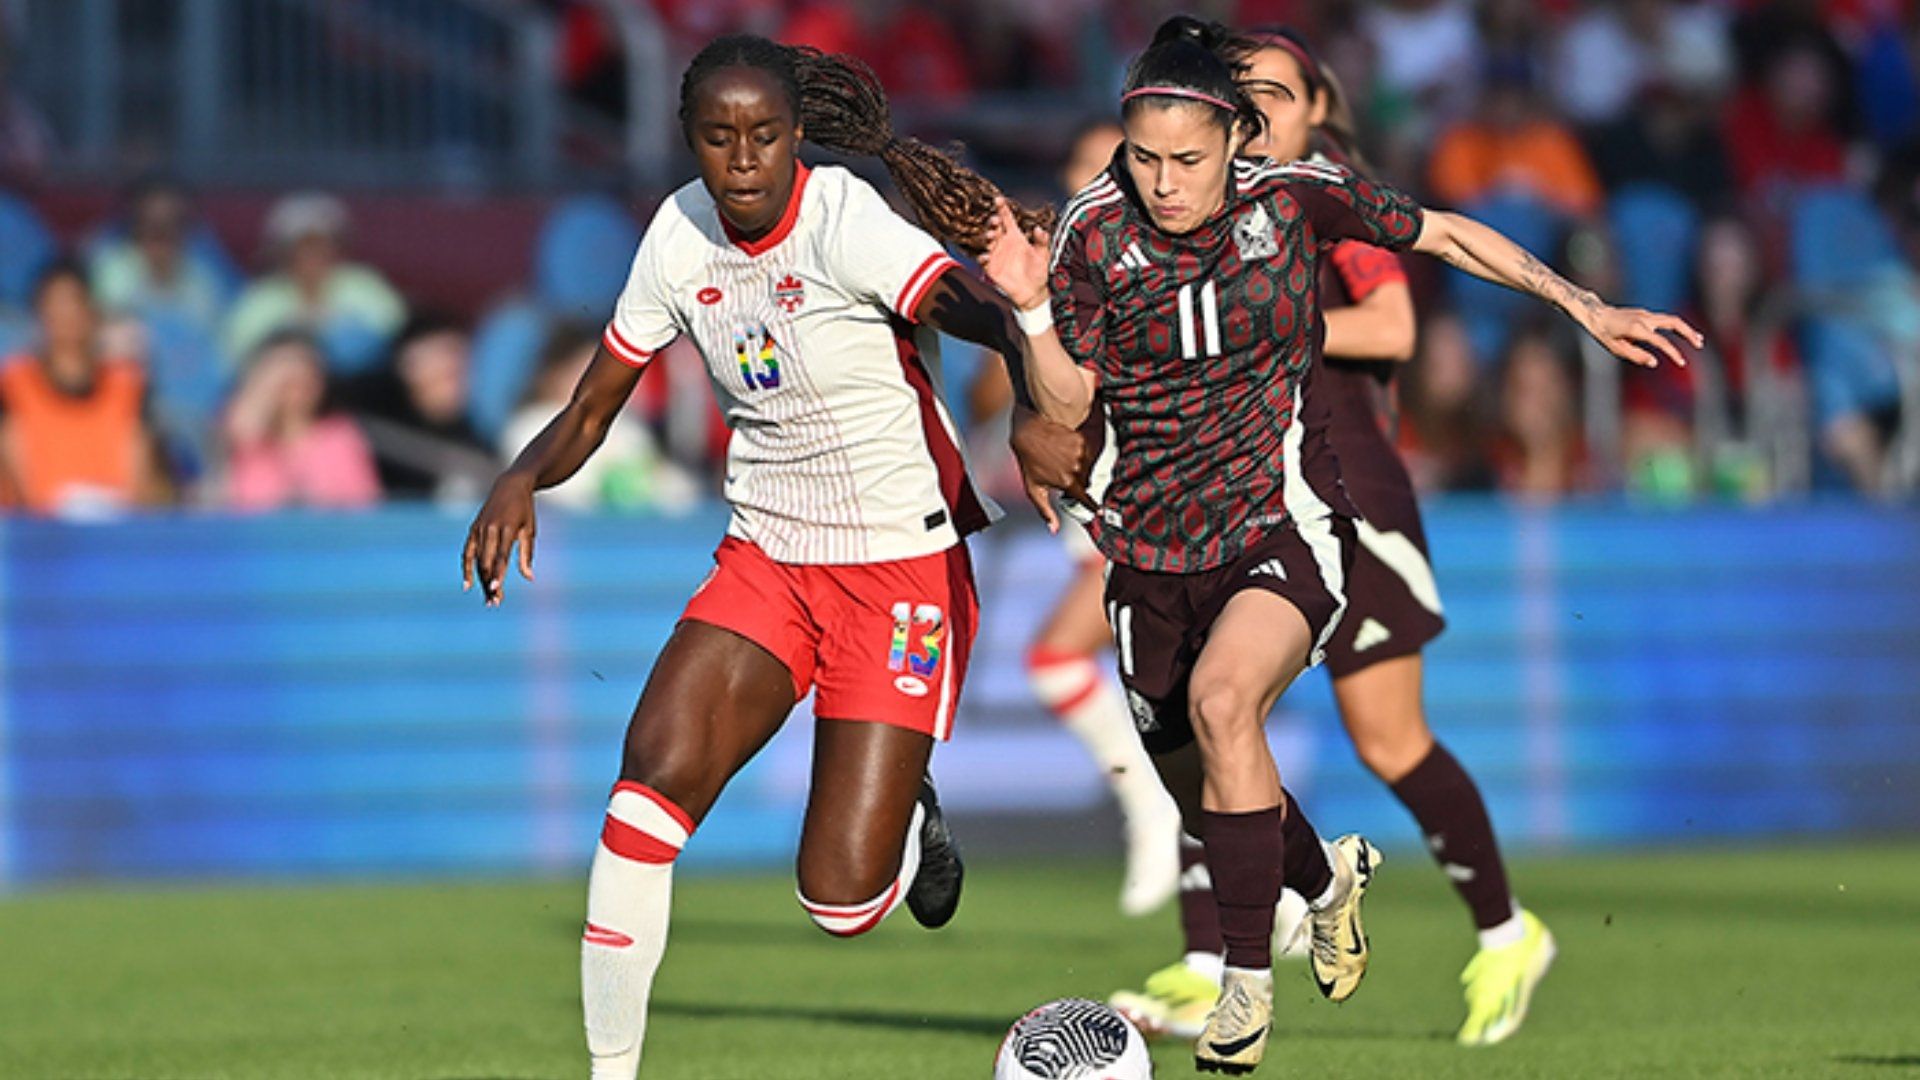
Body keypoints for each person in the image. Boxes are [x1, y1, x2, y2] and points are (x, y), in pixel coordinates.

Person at [981, 17, 1698, 1073]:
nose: (1166, 183)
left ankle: (1243, 989)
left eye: (1188, 160)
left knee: (1236, 706)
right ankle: (1324, 882)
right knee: (1204, 785)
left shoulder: (1299, 198)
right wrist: (1034, 314)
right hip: (1148, 549)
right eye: (1145, 159)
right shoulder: (1091, 232)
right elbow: (1069, 398)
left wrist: (1581, 304)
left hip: (1287, 524)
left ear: (1236, 142)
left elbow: (1447, 235)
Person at [460, 35, 1048, 1080]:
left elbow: (955, 302)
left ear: (794, 137)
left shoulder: (843, 219)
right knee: (649, 781)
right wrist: (519, 474)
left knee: (841, 905)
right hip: (767, 554)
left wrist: (1030, 346)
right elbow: (597, 403)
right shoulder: (676, 234)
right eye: (719, 136)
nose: (742, 158)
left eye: (764, 135)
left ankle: (909, 799)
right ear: (688, 139)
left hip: (897, 568)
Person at [1103, 24, 1559, 1048]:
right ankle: (1209, 958)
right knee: (1204, 713)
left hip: (1347, 492)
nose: (1256, 109)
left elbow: (1395, 327)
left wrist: (1240, 328)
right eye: (1243, 92)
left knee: (1384, 736)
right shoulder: (1192, 202)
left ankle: (1504, 932)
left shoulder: (1318, 193)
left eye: (1276, 93)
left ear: (1319, 109)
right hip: (1223, 499)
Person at [0, 260, 170, 515]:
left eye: (75, 302)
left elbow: (150, 483)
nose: (67, 316)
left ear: (93, 311)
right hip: (33, 539)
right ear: (39, 314)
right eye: (55, 305)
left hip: (114, 535)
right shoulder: (12, 386)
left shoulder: (128, 387)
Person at [223, 192, 408, 372]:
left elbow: (400, 343)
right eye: (302, 247)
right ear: (283, 254)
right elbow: (237, 357)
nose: (311, 258)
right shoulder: (259, 300)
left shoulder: (365, 287)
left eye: (320, 246)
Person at [222, 330, 381, 511]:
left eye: (306, 378)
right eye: (287, 383)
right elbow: (241, 431)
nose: (296, 388)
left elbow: (365, 508)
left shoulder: (340, 434)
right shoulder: (247, 441)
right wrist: (268, 384)